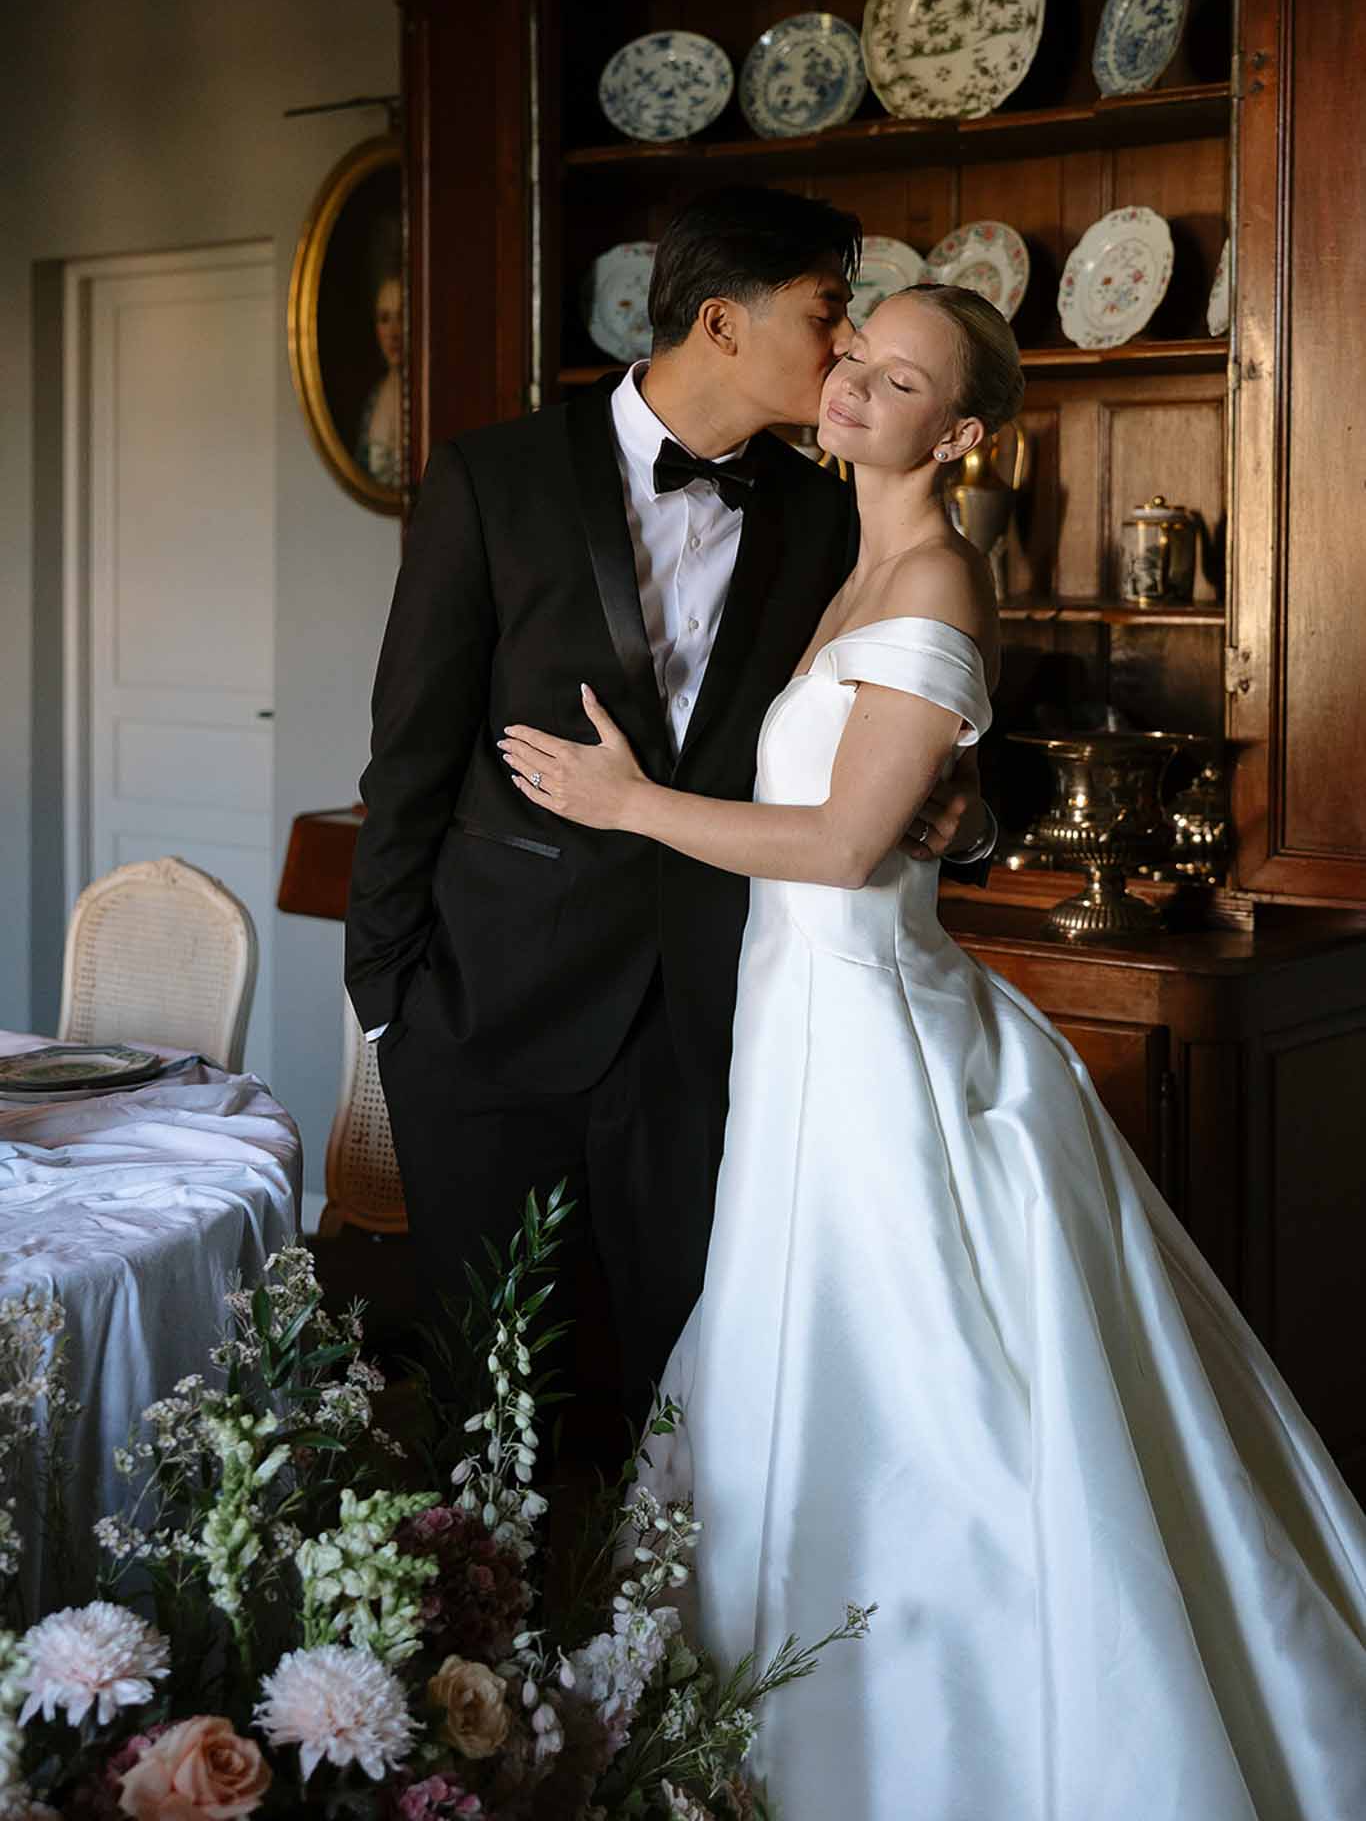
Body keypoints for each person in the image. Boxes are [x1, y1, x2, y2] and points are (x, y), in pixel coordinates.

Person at [497, 283, 1366, 1820]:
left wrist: (628, 805)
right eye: (851, 356)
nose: (845, 388)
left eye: (893, 380)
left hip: (870, 1045)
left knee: (916, 1396)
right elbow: (899, 808)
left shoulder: (934, 586)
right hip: (797, 1032)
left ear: (955, 431)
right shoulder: (855, 562)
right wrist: (945, 817)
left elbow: (837, 846)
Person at [343, 189, 996, 1424]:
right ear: (721, 321)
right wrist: (389, 1004)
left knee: (681, 1401)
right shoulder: (494, 478)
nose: (845, 343)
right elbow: (408, 756)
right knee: (486, 1403)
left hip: (714, 1028)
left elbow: (900, 726)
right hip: (490, 1020)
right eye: (826, 311)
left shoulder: (825, 515)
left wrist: (972, 815)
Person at [354, 272, 402, 489]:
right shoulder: (373, 399)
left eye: (401, 317)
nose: (393, 332)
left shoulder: (431, 398)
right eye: (384, 318)